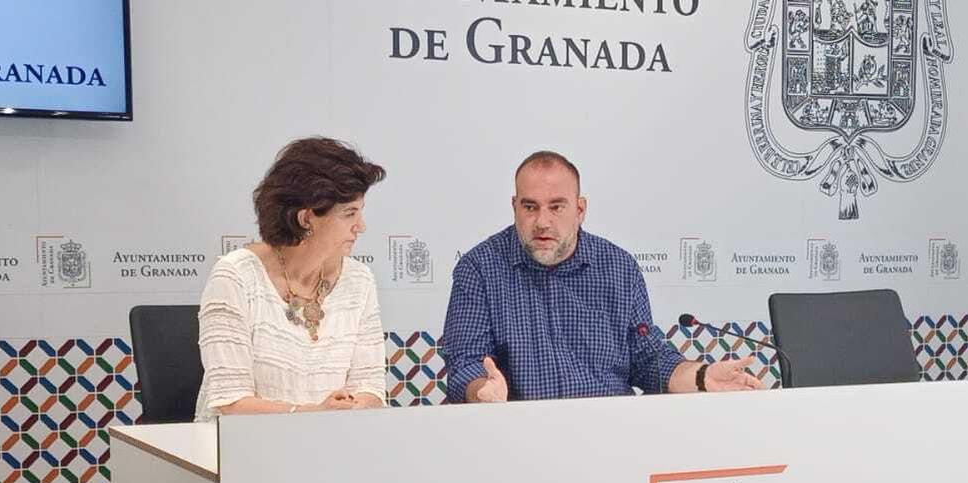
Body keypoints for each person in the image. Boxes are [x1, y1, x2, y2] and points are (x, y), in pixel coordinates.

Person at [441, 151, 765, 403]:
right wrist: (482, 390)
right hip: (519, 437)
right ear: (514, 207)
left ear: (580, 210)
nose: (542, 222)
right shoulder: (479, 269)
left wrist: (701, 378)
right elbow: (465, 364)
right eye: (530, 207)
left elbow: (649, 361)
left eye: (557, 207)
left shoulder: (618, 268)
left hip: (613, 437)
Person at [194, 137, 388, 420]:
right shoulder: (235, 277)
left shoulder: (359, 280)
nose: (361, 226)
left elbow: (371, 388)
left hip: (334, 447)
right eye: (349, 214)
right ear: (306, 218)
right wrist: (312, 414)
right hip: (238, 451)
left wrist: (352, 407)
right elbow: (231, 402)